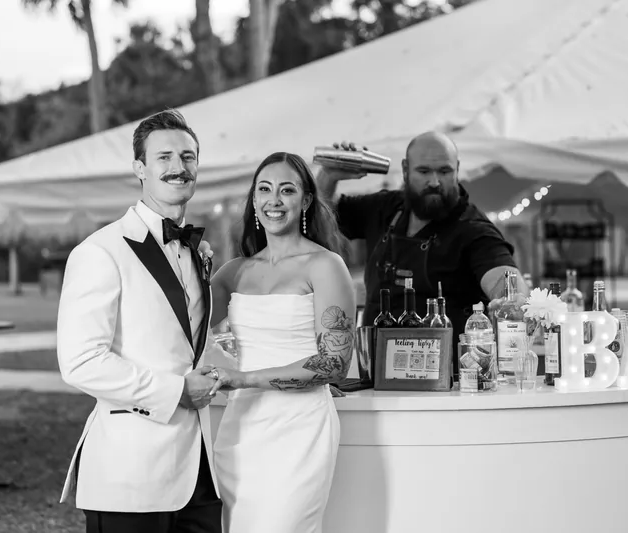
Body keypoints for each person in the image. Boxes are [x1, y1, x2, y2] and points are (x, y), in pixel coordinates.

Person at [57, 109, 224, 533]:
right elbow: (80, 361)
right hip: (130, 475)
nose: (178, 167)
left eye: (188, 157)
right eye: (164, 157)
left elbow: (187, 343)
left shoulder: (199, 251)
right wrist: (175, 390)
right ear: (140, 169)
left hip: (202, 475)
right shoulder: (100, 251)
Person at [208, 152, 355, 533]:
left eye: (286, 190)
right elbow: (182, 327)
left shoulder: (324, 266)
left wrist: (243, 378)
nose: (274, 200)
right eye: (265, 190)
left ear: (306, 200)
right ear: (254, 200)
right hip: (241, 429)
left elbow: (334, 364)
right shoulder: (233, 273)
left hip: (300, 428)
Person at [316, 132, 529, 375]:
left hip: (445, 381)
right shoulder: (386, 208)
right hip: (377, 374)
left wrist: (510, 299)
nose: (435, 182)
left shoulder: (472, 228)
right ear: (405, 170)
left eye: (445, 171)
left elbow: (502, 274)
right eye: (424, 171)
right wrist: (329, 175)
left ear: (457, 169)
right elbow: (319, 217)